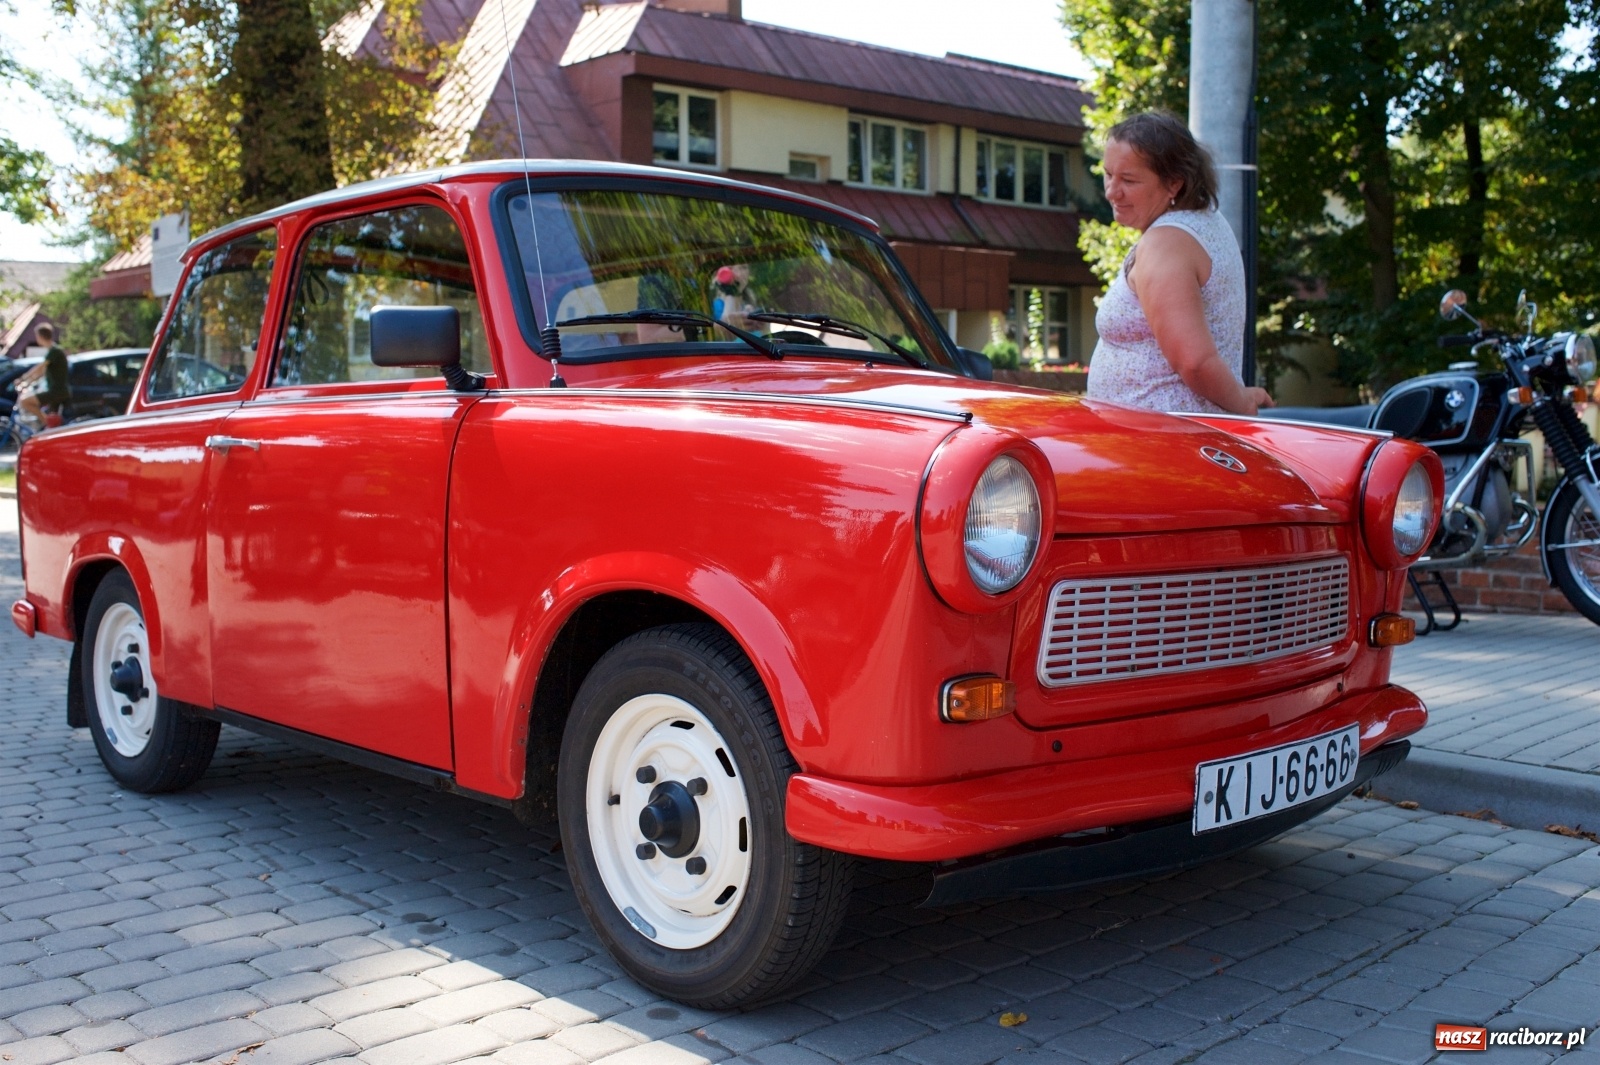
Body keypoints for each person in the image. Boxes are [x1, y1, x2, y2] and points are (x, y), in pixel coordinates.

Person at [1085, 111, 1273, 415]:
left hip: (1161, 443)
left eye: (1129, 180)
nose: (1111, 191)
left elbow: (1194, 362)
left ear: (1174, 184)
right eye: (1108, 174)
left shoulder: (1166, 244)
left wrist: (1243, 403)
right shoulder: (1202, 222)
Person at [15, 323, 71, 426]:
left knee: (25, 402)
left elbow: (40, 367)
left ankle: (46, 423)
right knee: (54, 419)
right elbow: (42, 372)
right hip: (57, 390)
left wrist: (23, 378)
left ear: (40, 336)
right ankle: (49, 425)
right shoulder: (53, 351)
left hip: (56, 391)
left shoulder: (55, 351)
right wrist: (28, 382)